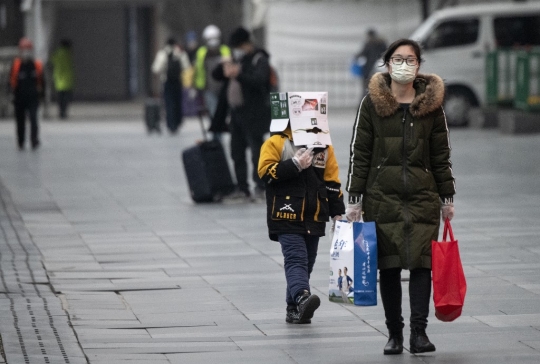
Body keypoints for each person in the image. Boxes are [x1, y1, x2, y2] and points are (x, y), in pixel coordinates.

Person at [345, 38, 455, 355]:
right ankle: (394, 333)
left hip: (423, 196)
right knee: (389, 266)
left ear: (419, 65)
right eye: (397, 58)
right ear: (387, 63)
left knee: (422, 265)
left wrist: (447, 198)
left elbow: (441, 155)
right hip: (383, 196)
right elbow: (361, 153)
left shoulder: (431, 106)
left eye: (410, 59)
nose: (404, 64)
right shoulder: (371, 104)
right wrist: (355, 198)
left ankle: (419, 334)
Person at [258, 121, 345, 324]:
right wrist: (294, 165)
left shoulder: (323, 145)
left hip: (314, 216)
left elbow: (332, 182)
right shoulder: (276, 142)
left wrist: (337, 213)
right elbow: (265, 172)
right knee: (296, 259)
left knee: (307, 262)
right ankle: (302, 297)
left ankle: (294, 308)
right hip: (286, 214)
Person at [213, 27, 270, 203]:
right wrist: (224, 65)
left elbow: (260, 80)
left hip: (254, 113)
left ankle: (260, 186)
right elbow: (216, 76)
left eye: (238, 46)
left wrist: (239, 75)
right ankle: (242, 188)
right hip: (236, 114)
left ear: (246, 44)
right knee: (236, 151)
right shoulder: (238, 59)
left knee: (256, 151)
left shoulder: (260, 59)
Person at [9, 37, 44, 150]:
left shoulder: (36, 65)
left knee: (34, 119)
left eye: (28, 50)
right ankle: (21, 141)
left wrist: (41, 96)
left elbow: (42, 82)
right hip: (19, 98)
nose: (26, 53)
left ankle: (34, 140)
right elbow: (10, 81)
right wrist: (11, 95)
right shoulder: (16, 66)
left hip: (33, 98)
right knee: (20, 122)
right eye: (24, 50)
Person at [151, 37, 190, 134]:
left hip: (167, 82)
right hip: (178, 81)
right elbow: (187, 67)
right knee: (177, 103)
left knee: (169, 104)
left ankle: (170, 125)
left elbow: (156, 68)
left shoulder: (163, 53)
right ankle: (177, 123)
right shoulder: (180, 53)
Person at [194, 25, 231, 118]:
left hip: (223, 87)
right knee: (214, 112)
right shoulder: (201, 53)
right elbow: (199, 70)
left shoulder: (225, 50)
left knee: (221, 112)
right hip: (208, 88)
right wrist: (197, 86)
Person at [354, 29, 387, 96]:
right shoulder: (382, 43)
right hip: (380, 69)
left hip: (368, 70)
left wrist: (355, 56)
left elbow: (362, 54)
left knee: (366, 88)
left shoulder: (368, 44)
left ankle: (364, 104)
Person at [51, 39, 75, 119]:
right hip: (67, 79)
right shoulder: (68, 54)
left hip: (59, 79)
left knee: (60, 99)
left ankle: (61, 112)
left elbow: (52, 62)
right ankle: (64, 112)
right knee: (66, 99)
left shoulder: (57, 54)